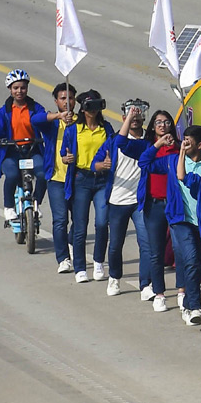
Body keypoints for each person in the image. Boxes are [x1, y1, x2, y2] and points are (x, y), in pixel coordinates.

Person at [59, 89, 115, 283]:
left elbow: (114, 148)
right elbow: (63, 154)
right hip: (81, 179)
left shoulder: (106, 128)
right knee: (80, 226)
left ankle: (98, 261)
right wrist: (66, 158)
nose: (93, 110)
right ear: (83, 109)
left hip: (101, 180)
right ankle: (80, 267)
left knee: (102, 222)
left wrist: (109, 162)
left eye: (97, 105)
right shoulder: (73, 130)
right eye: (89, 106)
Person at [102, 100, 154, 298]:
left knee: (146, 243)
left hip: (139, 202)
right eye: (130, 116)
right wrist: (101, 165)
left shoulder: (147, 143)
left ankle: (145, 284)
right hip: (117, 201)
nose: (134, 119)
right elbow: (95, 164)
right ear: (124, 118)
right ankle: (114, 277)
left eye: (138, 115)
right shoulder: (114, 141)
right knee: (115, 244)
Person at [0, 70, 53, 221]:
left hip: (32, 149)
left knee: (43, 174)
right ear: (10, 89)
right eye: (15, 88)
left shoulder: (36, 108)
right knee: (12, 175)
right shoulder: (3, 112)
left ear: (27, 88)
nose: (19, 91)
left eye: (22, 87)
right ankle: (9, 207)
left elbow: (43, 119)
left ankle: (36, 203)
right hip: (11, 151)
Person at [172, 126, 201, 325]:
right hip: (183, 220)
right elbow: (178, 175)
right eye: (183, 140)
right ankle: (193, 307)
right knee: (191, 260)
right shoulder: (176, 162)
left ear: (200, 145)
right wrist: (181, 152)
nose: (184, 143)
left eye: (188, 141)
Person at [136, 109, 179, 312]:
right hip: (154, 205)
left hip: (175, 205)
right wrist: (158, 144)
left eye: (166, 122)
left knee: (180, 250)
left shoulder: (178, 148)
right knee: (156, 252)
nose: (163, 125)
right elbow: (143, 162)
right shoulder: (149, 147)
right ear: (153, 126)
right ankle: (159, 293)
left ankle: (182, 291)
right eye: (158, 122)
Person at [34, 82, 77, 272]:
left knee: (79, 220)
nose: (67, 102)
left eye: (71, 98)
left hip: (78, 180)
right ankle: (63, 258)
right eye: (63, 99)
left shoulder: (82, 120)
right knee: (60, 220)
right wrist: (58, 116)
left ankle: (71, 243)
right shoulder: (52, 124)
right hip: (57, 180)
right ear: (56, 101)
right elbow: (35, 120)